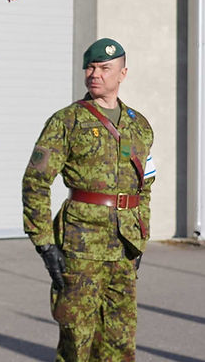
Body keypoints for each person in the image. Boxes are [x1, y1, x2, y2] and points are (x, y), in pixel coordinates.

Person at [22, 37, 155, 361]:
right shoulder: (67, 121)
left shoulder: (139, 126)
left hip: (123, 247)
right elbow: (35, 182)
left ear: (122, 74)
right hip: (80, 248)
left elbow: (145, 187)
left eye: (104, 68)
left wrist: (141, 237)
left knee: (120, 338)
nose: (95, 74)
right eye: (90, 67)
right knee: (77, 337)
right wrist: (45, 243)